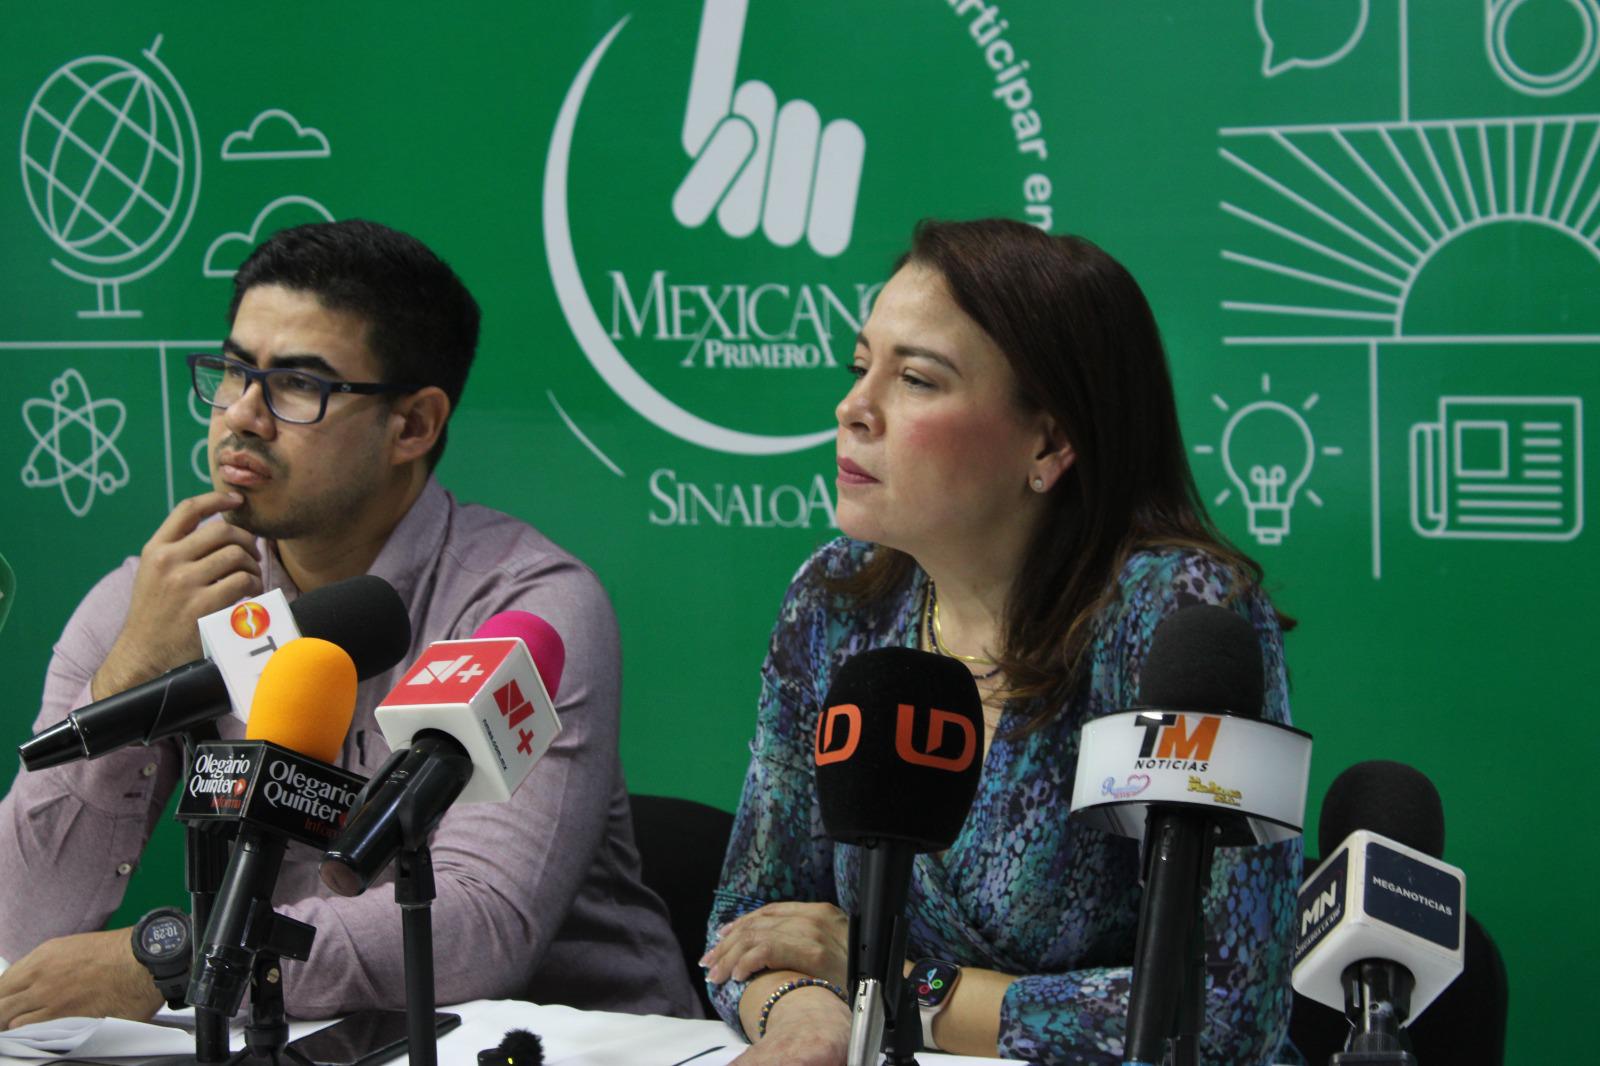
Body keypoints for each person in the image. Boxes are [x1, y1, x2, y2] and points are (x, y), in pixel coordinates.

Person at [0, 220, 697, 1027]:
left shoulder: (523, 609)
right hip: (299, 1037)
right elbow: (24, 920)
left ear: (414, 426)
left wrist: (187, 959)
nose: (242, 417)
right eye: (234, 371)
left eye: (299, 384)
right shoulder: (165, 596)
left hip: (569, 1042)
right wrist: (130, 671)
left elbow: (479, 925)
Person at [700, 219, 1300, 1065]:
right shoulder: (835, 602)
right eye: (859, 367)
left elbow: (1226, 1013)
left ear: (1049, 442)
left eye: (915, 379)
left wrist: (893, 987)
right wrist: (808, 1019)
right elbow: (750, 922)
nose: (853, 408)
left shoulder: (1180, 616)